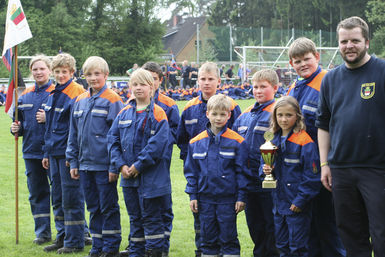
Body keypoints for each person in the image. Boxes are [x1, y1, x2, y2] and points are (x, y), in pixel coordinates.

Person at [316, 16, 385, 257]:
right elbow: (323, 124)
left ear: (367, 42)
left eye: (355, 40)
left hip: (377, 169)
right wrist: (325, 164)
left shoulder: (382, 71)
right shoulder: (330, 79)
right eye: (344, 41)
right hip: (341, 170)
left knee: (381, 235)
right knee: (351, 237)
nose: (349, 46)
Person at [286, 37, 346, 257]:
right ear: (290, 64)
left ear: (317, 57)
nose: (302, 64)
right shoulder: (294, 86)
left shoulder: (328, 82)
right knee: (307, 224)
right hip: (301, 168)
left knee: (328, 223)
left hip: (324, 164)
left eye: (307, 59)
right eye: (297, 61)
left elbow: (337, 124)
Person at [176, 62, 241, 257]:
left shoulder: (232, 106)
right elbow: (182, 140)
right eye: (202, 79)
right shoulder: (189, 107)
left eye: (210, 79)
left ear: (219, 81)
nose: (206, 83)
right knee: (202, 225)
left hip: (225, 182)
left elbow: (237, 140)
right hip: (201, 178)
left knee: (226, 228)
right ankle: (202, 251)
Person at [118, 62, 179, 257]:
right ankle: (136, 251)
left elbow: (160, 143)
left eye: (145, 83)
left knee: (154, 217)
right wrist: (120, 165)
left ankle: (157, 251)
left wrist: (138, 165)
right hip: (128, 177)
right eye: (134, 84)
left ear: (154, 85)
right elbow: (113, 140)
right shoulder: (124, 111)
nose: (138, 87)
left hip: (153, 174)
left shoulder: (160, 112)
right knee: (135, 218)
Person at [66, 56, 123, 257]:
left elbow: (118, 137)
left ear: (106, 75)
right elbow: (73, 133)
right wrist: (73, 160)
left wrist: (114, 166)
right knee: (93, 207)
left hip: (104, 166)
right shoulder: (80, 100)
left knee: (108, 207)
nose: (93, 78)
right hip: (84, 165)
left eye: (97, 74)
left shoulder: (114, 100)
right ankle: (97, 245)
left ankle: (111, 247)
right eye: (88, 74)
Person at [184, 94, 248, 257]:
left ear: (229, 115)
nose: (218, 118)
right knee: (208, 240)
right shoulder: (195, 142)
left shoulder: (238, 142)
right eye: (214, 114)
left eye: (222, 114)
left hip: (228, 200)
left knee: (229, 239)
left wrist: (241, 197)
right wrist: (193, 195)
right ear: (207, 114)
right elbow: (191, 172)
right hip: (205, 200)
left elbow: (242, 172)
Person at [261, 96, 321, 256]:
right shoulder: (271, 139)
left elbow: (312, 176)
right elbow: (264, 167)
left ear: (297, 116)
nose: (284, 119)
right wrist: (266, 170)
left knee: (298, 247)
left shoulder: (304, 142)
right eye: (280, 115)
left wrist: (300, 200)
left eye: (289, 115)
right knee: (281, 245)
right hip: (278, 204)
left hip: (296, 205)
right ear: (274, 116)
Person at [42, 53, 86, 254]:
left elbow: (76, 128)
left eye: (64, 72)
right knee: (58, 197)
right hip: (53, 153)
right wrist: (46, 152)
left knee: (71, 198)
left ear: (72, 72)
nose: (60, 75)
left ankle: (75, 240)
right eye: (57, 72)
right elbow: (49, 126)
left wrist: (73, 155)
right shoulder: (53, 93)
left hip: (68, 155)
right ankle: (62, 236)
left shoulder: (77, 92)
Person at [232, 69, 279, 257]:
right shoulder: (245, 114)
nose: (258, 91)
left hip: (270, 182)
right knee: (255, 225)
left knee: (272, 225)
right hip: (248, 182)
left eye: (263, 87)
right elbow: (235, 142)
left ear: (275, 88)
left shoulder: (278, 112)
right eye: (255, 87)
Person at [10, 55, 55, 245]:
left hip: (54, 153)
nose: (38, 72)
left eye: (42, 69)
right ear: (31, 72)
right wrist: (15, 129)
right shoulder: (24, 96)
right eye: (35, 69)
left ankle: (76, 231)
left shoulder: (57, 94)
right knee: (37, 193)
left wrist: (49, 117)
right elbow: (19, 124)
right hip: (31, 151)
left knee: (64, 194)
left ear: (49, 70)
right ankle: (43, 232)